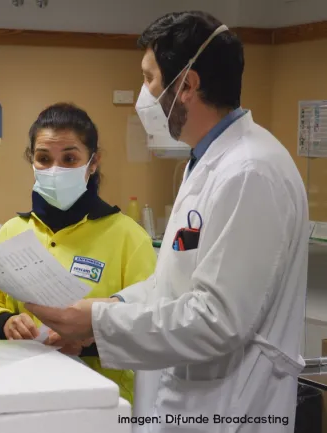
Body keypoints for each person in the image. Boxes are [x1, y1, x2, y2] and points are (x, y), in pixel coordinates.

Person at [26, 11, 308, 433]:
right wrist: (106, 312)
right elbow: (171, 287)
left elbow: (218, 319)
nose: (143, 95)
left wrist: (98, 323)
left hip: (233, 410)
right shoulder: (207, 164)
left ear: (188, 85)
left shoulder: (250, 171)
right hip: (190, 406)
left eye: (149, 78)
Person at [0, 103, 156, 405]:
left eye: (69, 158)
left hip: (101, 401)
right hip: (23, 393)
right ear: (31, 160)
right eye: (44, 158)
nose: (55, 170)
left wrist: (86, 343)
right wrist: (4, 322)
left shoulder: (128, 237)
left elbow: (149, 324)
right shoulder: (12, 232)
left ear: (93, 162)